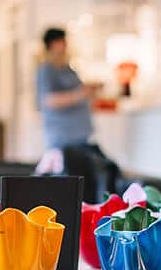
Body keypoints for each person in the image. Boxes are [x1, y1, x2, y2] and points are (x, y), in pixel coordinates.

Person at [35, 27, 118, 199]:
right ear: (53, 44)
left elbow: (80, 94)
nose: (65, 46)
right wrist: (82, 93)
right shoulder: (47, 70)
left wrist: (91, 91)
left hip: (81, 139)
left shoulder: (68, 69)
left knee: (99, 176)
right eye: (62, 42)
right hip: (63, 141)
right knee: (69, 188)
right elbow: (50, 100)